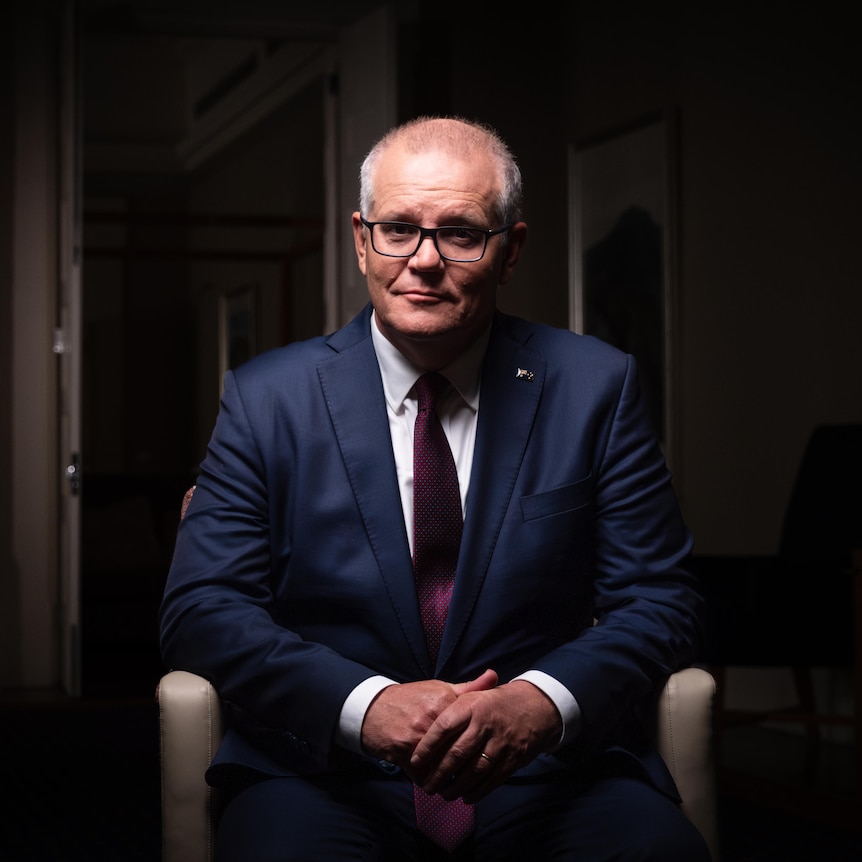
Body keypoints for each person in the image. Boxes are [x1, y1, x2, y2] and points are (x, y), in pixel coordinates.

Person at [159, 115, 710, 862]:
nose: (423, 260)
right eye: (397, 229)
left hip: (544, 772)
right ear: (361, 239)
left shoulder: (594, 388)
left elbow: (662, 600)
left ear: (509, 250)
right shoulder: (265, 399)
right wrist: (368, 706)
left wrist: (538, 703)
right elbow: (202, 609)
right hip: (324, 771)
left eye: (460, 232)